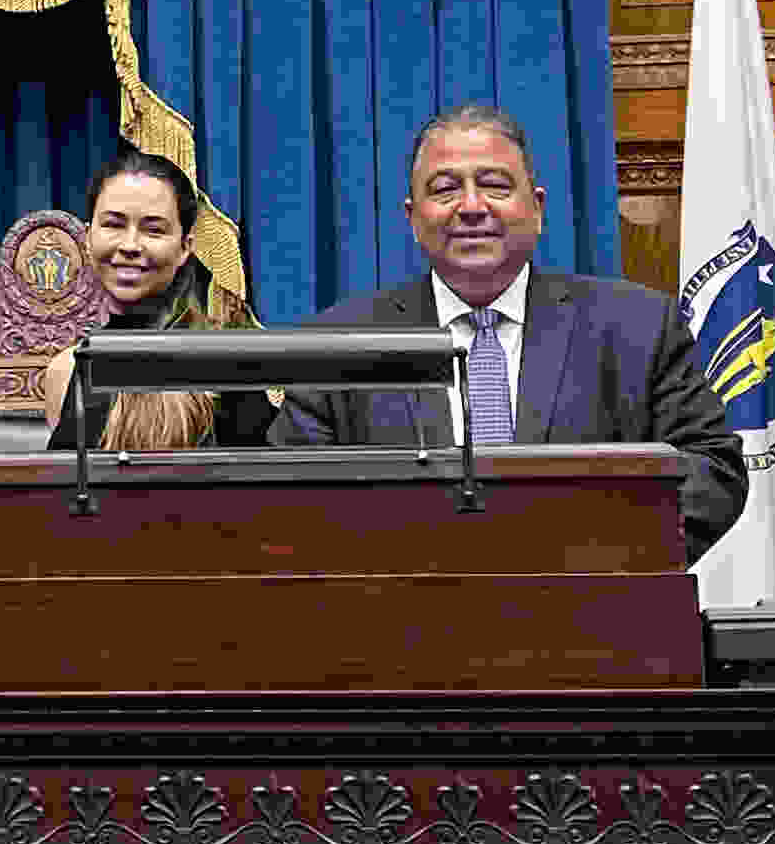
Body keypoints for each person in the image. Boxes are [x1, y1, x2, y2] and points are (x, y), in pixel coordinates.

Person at [275, 103, 747, 564]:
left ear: (537, 208)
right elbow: (290, 499)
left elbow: (712, 469)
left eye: (495, 186)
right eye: (445, 189)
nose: (471, 207)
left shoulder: (637, 326)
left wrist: (592, 557)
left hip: (591, 601)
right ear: (413, 218)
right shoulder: (343, 342)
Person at [44, 151, 269, 452]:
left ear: (185, 247)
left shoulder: (230, 364)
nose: (130, 245)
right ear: (87, 237)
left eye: (154, 230)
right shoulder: (66, 370)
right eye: (113, 225)